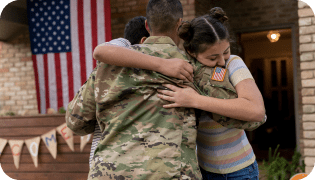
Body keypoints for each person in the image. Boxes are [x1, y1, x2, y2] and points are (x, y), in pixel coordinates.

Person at [92, 7, 265, 180]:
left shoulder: (234, 63)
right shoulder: (180, 66)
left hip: (240, 171)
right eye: (212, 58)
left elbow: (256, 111)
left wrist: (195, 100)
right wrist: (161, 64)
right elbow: (101, 52)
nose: (221, 61)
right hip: (203, 170)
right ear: (191, 52)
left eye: (226, 51)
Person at [66, 0, 202, 179]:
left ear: (147, 25)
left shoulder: (110, 64)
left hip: (109, 173)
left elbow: (75, 122)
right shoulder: (193, 66)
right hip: (170, 173)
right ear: (180, 24)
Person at [88, 16, 150, 169]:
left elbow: (76, 123)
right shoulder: (147, 72)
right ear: (143, 42)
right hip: (128, 164)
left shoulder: (102, 72)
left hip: (101, 163)